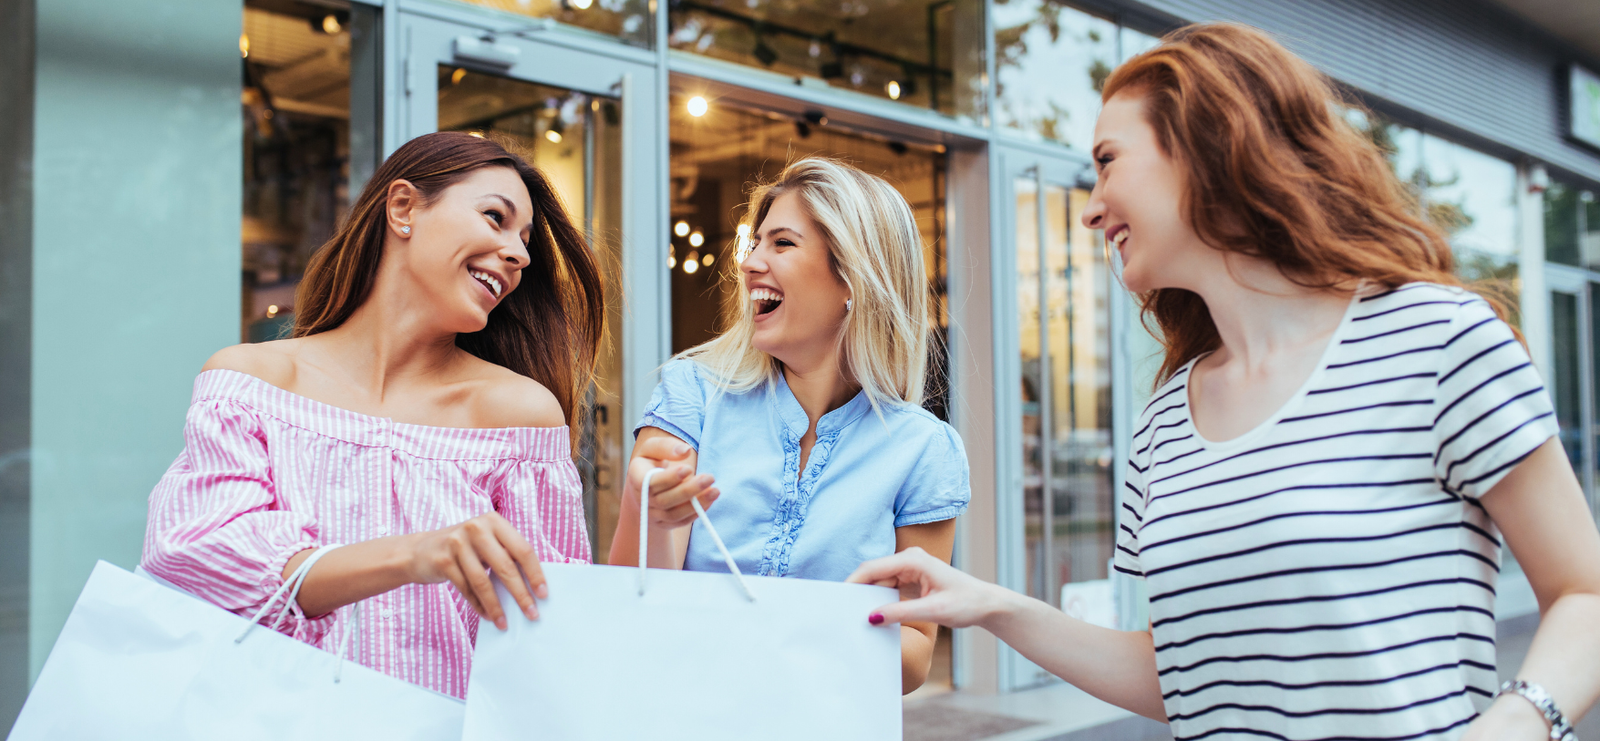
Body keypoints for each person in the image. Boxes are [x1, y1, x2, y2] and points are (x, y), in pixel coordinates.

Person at [848, 23, 1600, 739]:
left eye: (1109, 161)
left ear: (1208, 145)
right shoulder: (1164, 420)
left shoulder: (1438, 340)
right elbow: (1185, 674)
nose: (1090, 207)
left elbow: (1585, 596)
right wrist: (992, 605)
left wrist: (1515, 720)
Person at [142, 131, 605, 699]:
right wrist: (413, 554)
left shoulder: (517, 417)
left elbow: (551, 631)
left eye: (525, 240)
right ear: (403, 207)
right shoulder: (251, 386)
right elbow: (199, 558)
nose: (518, 254)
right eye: (494, 217)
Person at [608, 158, 971, 693]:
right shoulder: (692, 394)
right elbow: (632, 599)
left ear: (853, 274)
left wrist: (783, 633)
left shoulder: (923, 448)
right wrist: (654, 516)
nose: (750, 262)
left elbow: (915, 654)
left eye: (781, 244)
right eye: (755, 244)